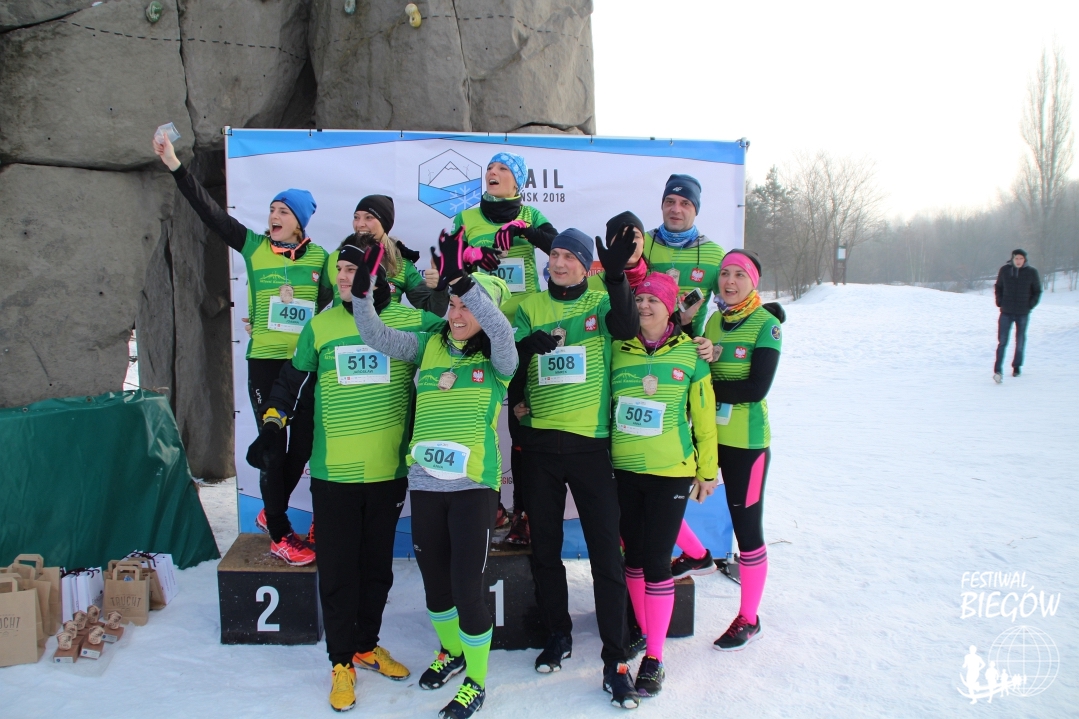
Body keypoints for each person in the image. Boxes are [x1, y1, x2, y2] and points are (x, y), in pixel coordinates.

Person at [249, 244, 444, 711]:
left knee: (377, 570)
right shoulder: (321, 325)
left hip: (387, 472)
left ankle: (365, 645)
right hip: (333, 474)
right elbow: (287, 385)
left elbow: (463, 336)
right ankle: (340, 662)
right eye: (338, 267)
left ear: (379, 274)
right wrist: (273, 425)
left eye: (351, 268)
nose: (340, 276)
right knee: (338, 572)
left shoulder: (412, 321)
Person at [352, 231, 516, 719]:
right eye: (453, 305)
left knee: (467, 587)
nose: (458, 314)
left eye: (468, 306)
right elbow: (376, 336)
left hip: (472, 488)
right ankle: (452, 651)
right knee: (436, 586)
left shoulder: (499, 358)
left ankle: (476, 682)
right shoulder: (427, 345)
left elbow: (499, 329)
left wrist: (462, 281)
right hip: (425, 484)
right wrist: (362, 296)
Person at [153, 131, 327, 566]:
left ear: (299, 222)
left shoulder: (320, 258)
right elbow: (212, 215)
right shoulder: (254, 247)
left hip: (305, 365)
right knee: (273, 445)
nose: (274, 215)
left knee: (302, 447)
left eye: (283, 211)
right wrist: (175, 165)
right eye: (272, 209)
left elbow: (332, 304)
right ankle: (280, 533)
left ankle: (272, 511)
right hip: (265, 363)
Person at [511, 228, 642, 709]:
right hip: (540, 447)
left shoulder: (601, 301)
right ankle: (557, 634)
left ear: (586, 265)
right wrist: (526, 350)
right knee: (545, 549)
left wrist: (617, 276)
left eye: (570, 256)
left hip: (590, 446)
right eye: (555, 254)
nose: (560, 262)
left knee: (606, 555)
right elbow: (509, 370)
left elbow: (625, 328)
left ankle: (615, 659)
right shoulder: (529, 306)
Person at [610, 271, 718, 697]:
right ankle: (642, 627)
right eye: (639, 299)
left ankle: (655, 657)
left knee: (656, 561)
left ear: (671, 307)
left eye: (653, 300)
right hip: (624, 469)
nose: (644, 306)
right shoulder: (617, 348)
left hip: (671, 471)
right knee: (633, 559)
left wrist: (707, 470)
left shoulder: (691, 353)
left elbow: (704, 419)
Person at [702, 249, 783, 651]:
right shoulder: (714, 320)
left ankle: (749, 619)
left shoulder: (767, 325)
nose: (729, 282)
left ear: (753, 282)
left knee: (747, 528)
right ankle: (697, 554)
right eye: (725, 274)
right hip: (707, 437)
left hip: (746, 445)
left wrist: (704, 389)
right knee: (663, 498)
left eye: (739, 275)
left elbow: (755, 389)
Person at [450, 151, 558, 321]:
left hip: (526, 314)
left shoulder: (531, 214)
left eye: (502, 168)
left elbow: (558, 248)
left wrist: (524, 229)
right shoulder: (464, 218)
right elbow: (449, 266)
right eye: (489, 168)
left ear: (517, 183)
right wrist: (471, 255)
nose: (492, 172)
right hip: (482, 315)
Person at [326, 195, 449, 315]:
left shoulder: (401, 264)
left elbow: (433, 311)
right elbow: (316, 302)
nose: (360, 224)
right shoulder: (335, 258)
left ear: (384, 223)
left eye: (369, 217)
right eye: (356, 217)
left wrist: (439, 288)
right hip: (340, 329)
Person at [641, 175, 725, 337]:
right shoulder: (641, 244)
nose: (676, 209)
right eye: (670, 202)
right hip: (641, 345)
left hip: (689, 345)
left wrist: (761, 316)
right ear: (662, 206)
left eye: (685, 203)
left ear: (696, 210)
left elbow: (730, 306)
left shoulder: (715, 254)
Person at [993, 249, 1041, 383]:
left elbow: (1037, 291)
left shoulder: (1032, 272)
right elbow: (998, 287)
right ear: (1012, 259)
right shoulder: (1005, 270)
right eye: (1016, 258)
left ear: (1025, 260)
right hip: (1006, 312)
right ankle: (998, 370)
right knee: (1002, 341)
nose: (1019, 261)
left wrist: (1030, 305)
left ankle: (1016, 367)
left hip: (1023, 313)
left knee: (1020, 341)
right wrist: (999, 301)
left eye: (1021, 258)